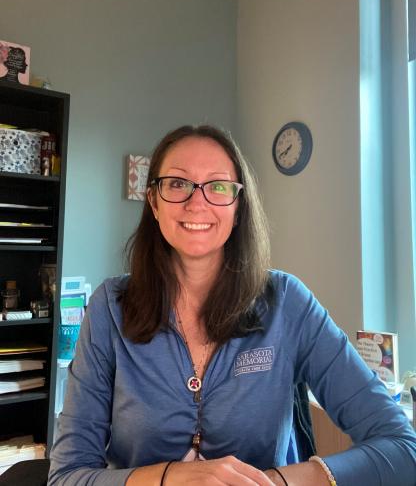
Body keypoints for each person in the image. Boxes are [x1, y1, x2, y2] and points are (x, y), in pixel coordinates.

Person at [48, 125, 416, 485]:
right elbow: (67, 475)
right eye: (177, 184)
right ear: (154, 202)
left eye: (218, 186)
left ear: (238, 208)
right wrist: (170, 478)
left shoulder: (288, 301)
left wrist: (276, 482)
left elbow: (402, 449)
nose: (197, 202)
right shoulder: (109, 308)